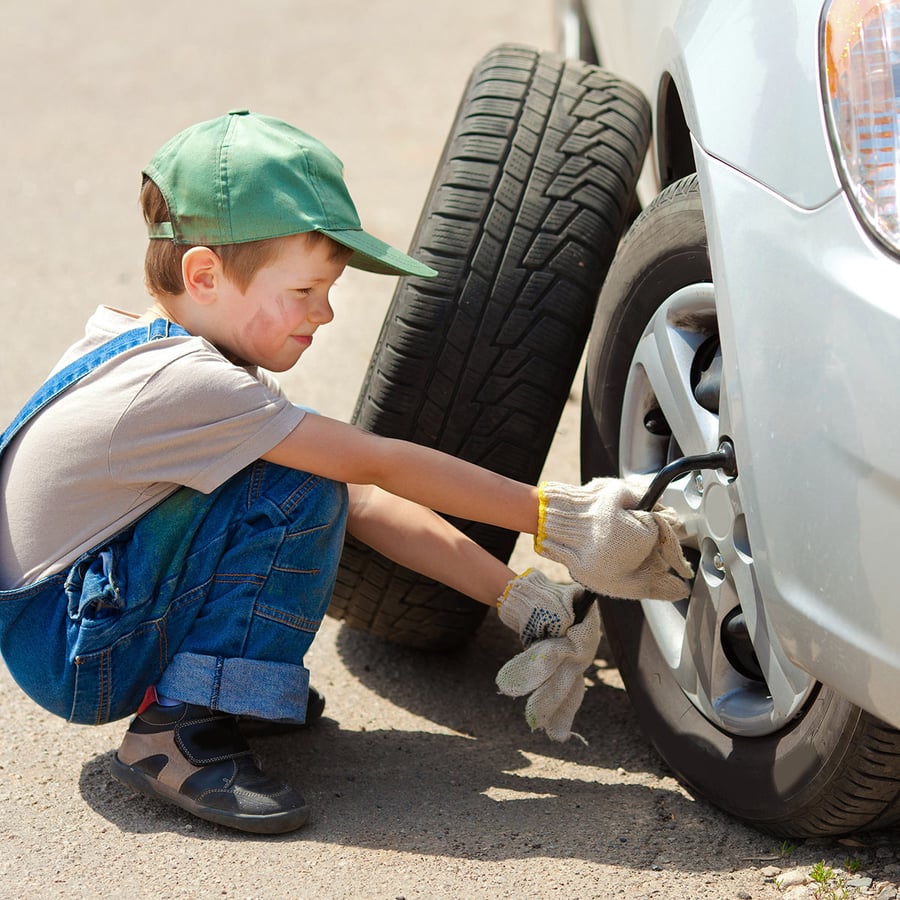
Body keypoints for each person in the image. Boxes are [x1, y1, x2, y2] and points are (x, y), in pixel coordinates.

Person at [0, 110, 692, 835]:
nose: (325, 312)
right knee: (298, 492)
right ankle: (179, 730)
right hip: (78, 648)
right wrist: (558, 518)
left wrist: (521, 599)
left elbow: (365, 500)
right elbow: (373, 465)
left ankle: (218, 686)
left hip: (71, 622)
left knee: (303, 486)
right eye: (304, 291)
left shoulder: (149, 350)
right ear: (204, 276)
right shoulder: (188, 386)